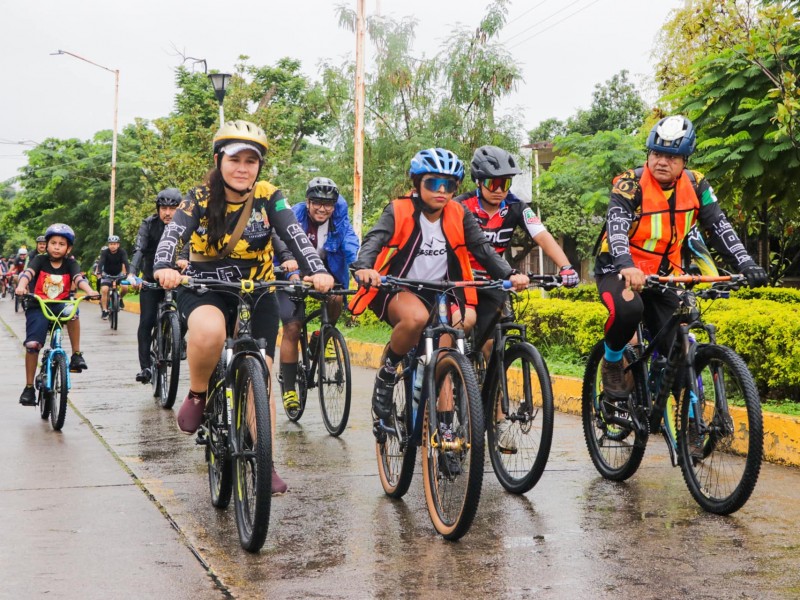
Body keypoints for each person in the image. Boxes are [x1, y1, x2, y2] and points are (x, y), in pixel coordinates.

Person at [153, 119, 333, 494]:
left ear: (259, 167)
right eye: (235, 159)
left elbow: (294, 233)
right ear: (219, 160)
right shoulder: (200, 196)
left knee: (262, 374)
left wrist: (316, 270)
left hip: (258, 287)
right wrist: (164, 266)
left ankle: (264, 462)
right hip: (206, 285)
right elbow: (175, 232)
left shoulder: (269, 195)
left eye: (251, 161)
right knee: (210, 331)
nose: (243, 168)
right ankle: (199, 393)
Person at [349, 147, 529, 422]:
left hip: (444, 291)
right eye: (433, 183)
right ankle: (388, 371)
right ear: (417, 184)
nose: (441, 190)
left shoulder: (458, 213)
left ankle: (443, 422)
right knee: (417, 318)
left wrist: (509, 273)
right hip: (401, 287)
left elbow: (483, 249)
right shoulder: (398, 210)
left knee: (456, 336)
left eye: (449, 185)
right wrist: (364, 268)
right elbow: (373, 241)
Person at [594, 115, 767, 398]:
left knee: (680, 347)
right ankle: (612, 362)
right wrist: (626, 266)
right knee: (629, 309)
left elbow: (720, 227)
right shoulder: (629, 183)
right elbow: (617, 227)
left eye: (672, 156)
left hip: (664, 274)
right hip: (619, 268)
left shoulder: (698, 185)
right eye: (657, 153)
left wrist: (746, 263)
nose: (662, 161)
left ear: (685, 160)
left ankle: (686, 423)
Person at [456, 145, 580, 351]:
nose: (498, 190)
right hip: (462, 279)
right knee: (460, 328)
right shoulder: (461, 205)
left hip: (495, 279)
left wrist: (566, 266)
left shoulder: (516, 206)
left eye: (504, 183)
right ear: (478, 181)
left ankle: (493, 383)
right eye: (492, 183)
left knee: (493, 343)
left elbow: (543, 236)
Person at [273, 176, 360, 412]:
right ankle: (290, 388)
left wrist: (361, 269)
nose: (322, 208)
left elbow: (350, 244)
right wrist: (289, 267)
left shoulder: (339, 221)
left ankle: (322, 336)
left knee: (337, 297)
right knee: (292, 327)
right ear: (308, 202)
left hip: (325, 274)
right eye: (317, 203)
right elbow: (280, 239)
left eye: (328, 204)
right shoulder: (294, 216)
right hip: (291, 273)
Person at [15, 224, 99, 405]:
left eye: (61, 244)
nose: (56, 246)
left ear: (68, 248)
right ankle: (29, 387)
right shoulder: (39, 260)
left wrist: (90, 290)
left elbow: (79, 278)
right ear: (47, 244)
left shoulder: (71, 264)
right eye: (53, 242)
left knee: (73, 311)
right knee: (33, 344)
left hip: (60, 305)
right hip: (39, 305)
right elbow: (27, 274)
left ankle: (76, 354)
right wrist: (22, 286)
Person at [128, 187, 184, 384]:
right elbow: (139, 249)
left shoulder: (187, 225)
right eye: (163, 208)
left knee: (186, 314)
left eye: (172, 208)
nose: (167, 213)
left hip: (178, 280)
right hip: (151, 281)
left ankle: (177, 342)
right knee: (147, 322)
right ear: (158, 209)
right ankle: (145, 367)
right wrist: (132, 273)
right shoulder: (149, 224)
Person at [96, 235, 130, 318]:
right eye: (111, 244)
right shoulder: (105, 252)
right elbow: (101, 263)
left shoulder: (122, 252)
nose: (113, 246)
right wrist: (99, 272)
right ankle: (104, 310)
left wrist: (129, 273)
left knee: (125, 287)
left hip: (119, 274)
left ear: (118, 245)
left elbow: (126, 262)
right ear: (108, 245)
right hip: (107, 274)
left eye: (115, 244)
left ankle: (120, 298)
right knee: (104, 290)